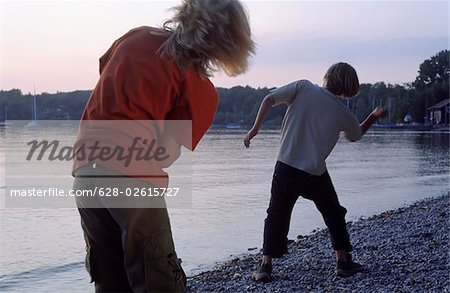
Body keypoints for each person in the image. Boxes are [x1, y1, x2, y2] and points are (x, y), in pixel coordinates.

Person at [72, 0, 255, 292]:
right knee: (156, 276)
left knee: (109, 278)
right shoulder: (199, 86)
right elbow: (166, 153)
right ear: (230, 41)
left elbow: (107, 75)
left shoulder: (134, 37)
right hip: (131, 177)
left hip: (83, 168)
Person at [244, 62, 387, 282]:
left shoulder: (303, 87)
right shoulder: (343, 113)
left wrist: (255, 128)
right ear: (348, 87)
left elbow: (269, 99)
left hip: (286, 167)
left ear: (328, 76)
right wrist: (373, 116)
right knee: (334, 213)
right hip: (314, 172)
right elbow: (356, 135)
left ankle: (265, 265)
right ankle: (343, 261)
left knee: (276, 214)